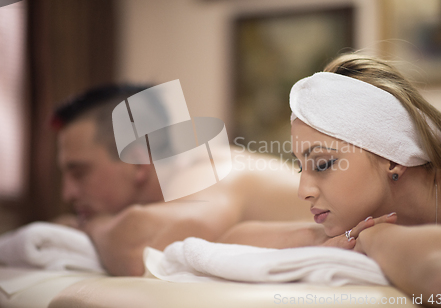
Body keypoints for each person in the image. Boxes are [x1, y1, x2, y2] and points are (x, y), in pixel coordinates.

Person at [219, 53, 441, 304]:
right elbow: (230, 241)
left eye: (322, 164)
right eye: (301, 167)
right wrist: (321, 240)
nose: (303, 191)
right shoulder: (359, 216)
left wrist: (375, 237)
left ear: (393, 157)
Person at [52, 84, 313, 277]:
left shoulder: (212, 170)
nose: (68, 193)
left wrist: (90, 226)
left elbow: (142, 251)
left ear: (137, 162)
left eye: (79, 173)